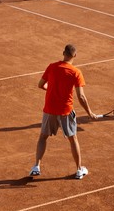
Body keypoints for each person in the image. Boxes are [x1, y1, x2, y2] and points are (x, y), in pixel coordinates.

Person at [29, 44, 97, 179]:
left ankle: (36, 166)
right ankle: (79, 170)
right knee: (73, 139)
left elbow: (40, 85)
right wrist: (90, 112)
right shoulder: (76, 72)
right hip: (65, 111)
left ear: (63, 53)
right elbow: (81, 96)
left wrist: (51, 89)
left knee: (43, 137)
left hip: (49, 109)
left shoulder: (52, 67)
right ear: (75, 56)